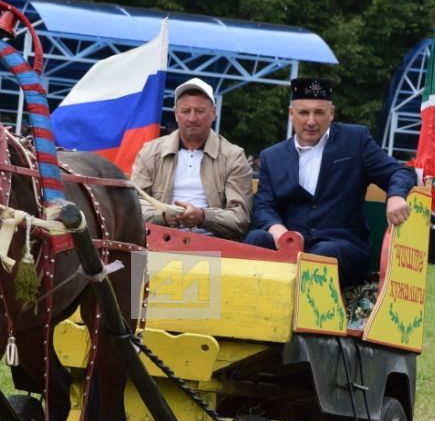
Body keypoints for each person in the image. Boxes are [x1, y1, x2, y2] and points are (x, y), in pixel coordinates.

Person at [246, 78, 414, 286]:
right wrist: (280, 234)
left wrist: (396, 195)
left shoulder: (355, 140)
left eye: (319, 112)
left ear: (331, 113)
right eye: (303, 113)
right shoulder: (272, 156)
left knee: (322, 255)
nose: (311, 121)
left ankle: (309, 316)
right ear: (291, 114)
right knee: (256, 240)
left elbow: (400, 172)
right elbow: (264, 206)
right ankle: (253, 314)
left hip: (342, 247)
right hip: (290, 243)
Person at [131, 78, 252, 240]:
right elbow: (132, 208)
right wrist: (164, 217)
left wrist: (203, 216)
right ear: (176, 114)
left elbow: (241, 218)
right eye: (186, 111)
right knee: (131, 262)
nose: (192, 118)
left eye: (200, 111)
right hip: (156, 243)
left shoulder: (233, 157)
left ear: (213, 113)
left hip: (215, 246)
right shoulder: (149, 152)